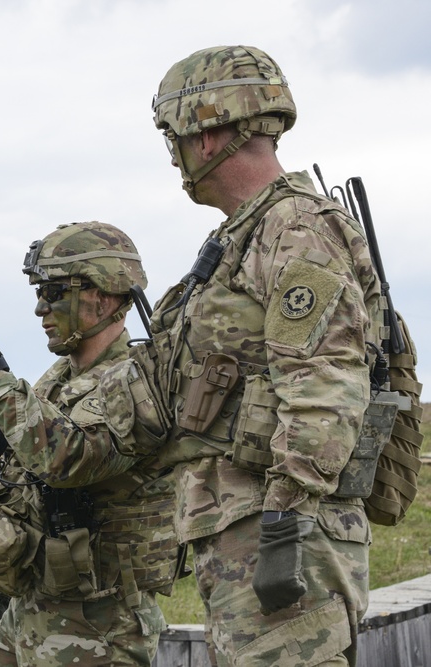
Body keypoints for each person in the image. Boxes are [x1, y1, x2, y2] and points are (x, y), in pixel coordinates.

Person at [149, 45, 381, 665]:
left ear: (206, 134)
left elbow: (325, 384)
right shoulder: (243, 236)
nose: (174, 157)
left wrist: (285, 521)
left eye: (173, 137)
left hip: (280, 530)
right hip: (247, 529)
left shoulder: (294, 228)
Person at [0, 222, 178, 666]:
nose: (41, 309)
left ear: (102, 295)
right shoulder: (60, 379)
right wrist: (0, 598)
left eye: (55, 293)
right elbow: (28, 488)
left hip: (98, 621)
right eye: (39, 294)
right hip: (31, 607)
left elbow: (65, 460)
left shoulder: (139, 382)